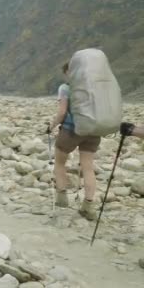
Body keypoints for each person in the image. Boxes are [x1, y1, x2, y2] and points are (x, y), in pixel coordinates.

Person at [49, 62, 101, 220]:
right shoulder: (95, 87)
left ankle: (62, 199)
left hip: (71, 130)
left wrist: (51, 126)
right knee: (88, 169)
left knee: (59, 163)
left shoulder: (65, 88)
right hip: (93, 131)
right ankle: (88, 206)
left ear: (68, 73)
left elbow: (62, 113)